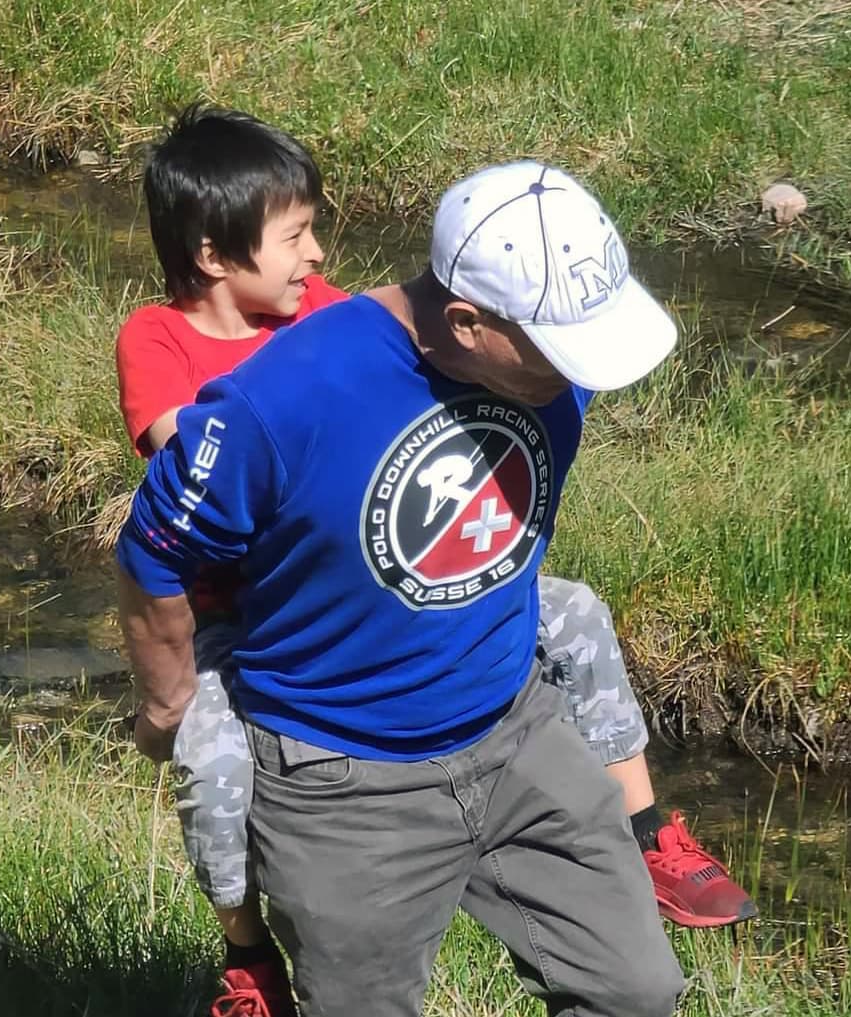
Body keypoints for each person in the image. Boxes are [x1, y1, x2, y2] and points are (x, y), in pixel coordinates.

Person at [117, 107, 751, 1017]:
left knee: (637, 992)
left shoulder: (537, 372)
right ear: (466, 321)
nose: (583, 380)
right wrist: (173, 699)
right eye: (560, 351)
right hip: (343, 779)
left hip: (519, 736)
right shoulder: (279, 398)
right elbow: (153, 549)